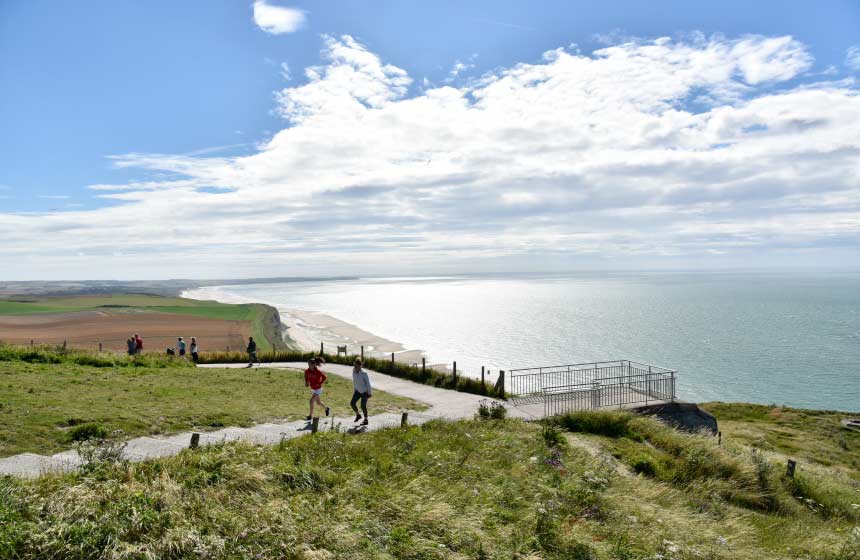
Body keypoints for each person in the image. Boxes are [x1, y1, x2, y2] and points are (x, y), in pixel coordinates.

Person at [350, 358, 372, 425]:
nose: (355, 367)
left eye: (356, 366)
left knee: (363, 406)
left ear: (360, 366)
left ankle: (366, 419)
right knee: (352, 403)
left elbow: (368, 384)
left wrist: (369, 393)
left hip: (365, 393)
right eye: (354, 366)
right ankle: (358, 415)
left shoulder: (364, 374)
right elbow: (354, 382)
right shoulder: (353, 372)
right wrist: (355, 389)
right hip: (357, 391)